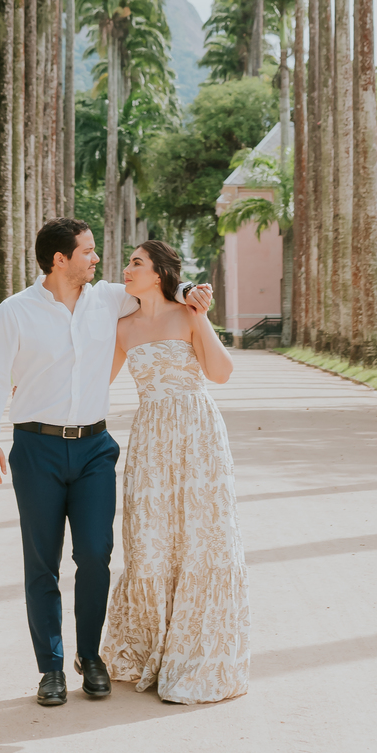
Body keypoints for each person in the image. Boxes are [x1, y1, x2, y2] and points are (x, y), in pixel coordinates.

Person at [0, 217, 213, 708]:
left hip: (94, 450)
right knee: (42, 562)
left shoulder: (108, 299)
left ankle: (91, 656)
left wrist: (191, 288)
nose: (97, 259)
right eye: (87, 251)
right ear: (60, 260)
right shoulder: (15, 312)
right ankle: (51, 669)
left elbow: (161, 288)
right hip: (36, 448)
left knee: (96, 555)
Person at [101, 239, 250, 704]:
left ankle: (198, 658)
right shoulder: (122, 328)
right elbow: (92, 382)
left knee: (203, 539)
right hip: (150, 438)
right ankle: (152, 648)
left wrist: (200, 315)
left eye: (137, 263)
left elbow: (221, 372)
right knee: (150, 542)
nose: (127, 269)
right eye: (129, 262)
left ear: (160, 273)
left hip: (198, 435)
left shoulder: (188, 314)